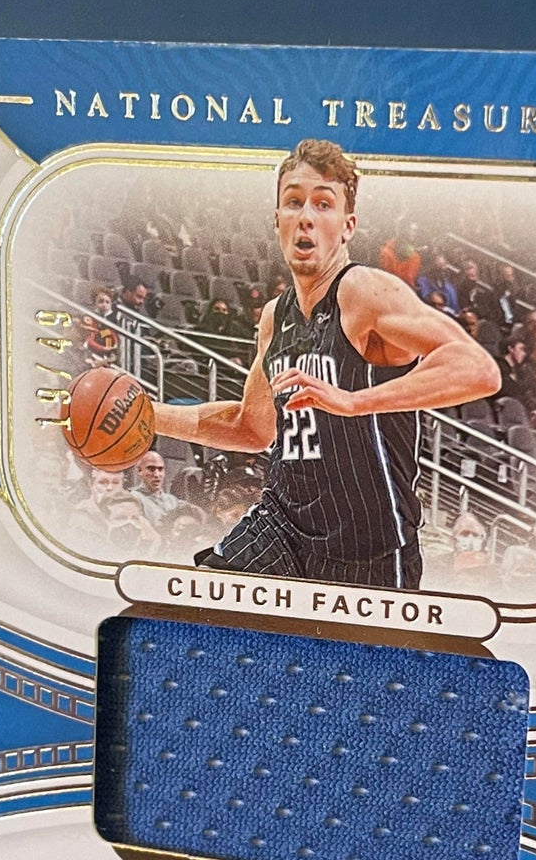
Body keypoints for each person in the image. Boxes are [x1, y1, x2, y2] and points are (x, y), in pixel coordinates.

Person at [151, 139, 499, 589]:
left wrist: (354, 401)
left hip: (369, 549)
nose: (306, 217)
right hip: (282, 529)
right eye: (293, 202)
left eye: (323, 204)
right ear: (277, 219)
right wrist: (145, 415)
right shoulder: (274, 317)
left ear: (347, 225)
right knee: (199, 608)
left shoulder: (363, 291)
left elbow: (477, 368)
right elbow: (251, 428)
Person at [131, 450, 182, 523]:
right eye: (151, 469)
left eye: (160, 469)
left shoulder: (173, 501)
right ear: (140, 471)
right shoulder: (133, 498)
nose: (157, 474)